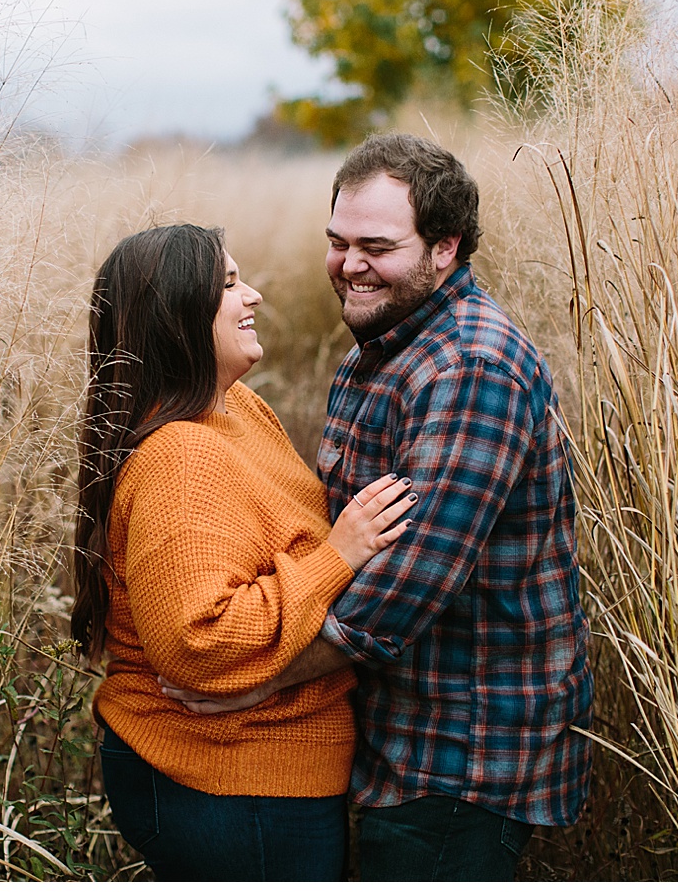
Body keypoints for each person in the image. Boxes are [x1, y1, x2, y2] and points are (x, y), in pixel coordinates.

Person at [162, 134, 594, 881]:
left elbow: (397, 593)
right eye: (338, 243)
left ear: (445, 247)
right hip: (396, 731)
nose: (350, 265)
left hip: (463, 753)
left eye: (376, 245)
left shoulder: (469, 369)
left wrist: (249, 683)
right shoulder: (385, 345)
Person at [71, 223, 419, 881]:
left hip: (258, 771)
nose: (253, 294)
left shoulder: (238, 409)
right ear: (177, 316)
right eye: (229, 284)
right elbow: (198, 639)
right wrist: (337, 556)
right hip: (227, 774)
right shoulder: (179, 456)